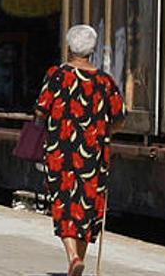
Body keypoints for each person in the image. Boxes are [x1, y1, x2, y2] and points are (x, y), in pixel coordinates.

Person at [34, 24, 127, 276]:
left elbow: (41, 110)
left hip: (59, 152)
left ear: (69, 48)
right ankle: (78, 262)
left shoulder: (56, 75)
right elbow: (119, 117)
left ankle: (73, 256)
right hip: (93, 153)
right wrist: (104, 130)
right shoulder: (105, 81)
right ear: (92, 50)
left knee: (63, 203)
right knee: (86, 205)